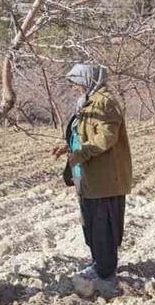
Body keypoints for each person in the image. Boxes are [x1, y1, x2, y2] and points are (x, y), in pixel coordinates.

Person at [50, 63, 132, 290]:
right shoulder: (88, 101)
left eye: (78, 82)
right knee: (92, 224)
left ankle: (106, 274)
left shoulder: (104, 102)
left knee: (102, 224)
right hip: (87, 175)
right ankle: (99, 264)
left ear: (90, 79)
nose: (75, 87)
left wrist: (79, 152)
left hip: (103, 177)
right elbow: (82, 133)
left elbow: (106, 139)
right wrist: (67, 147)